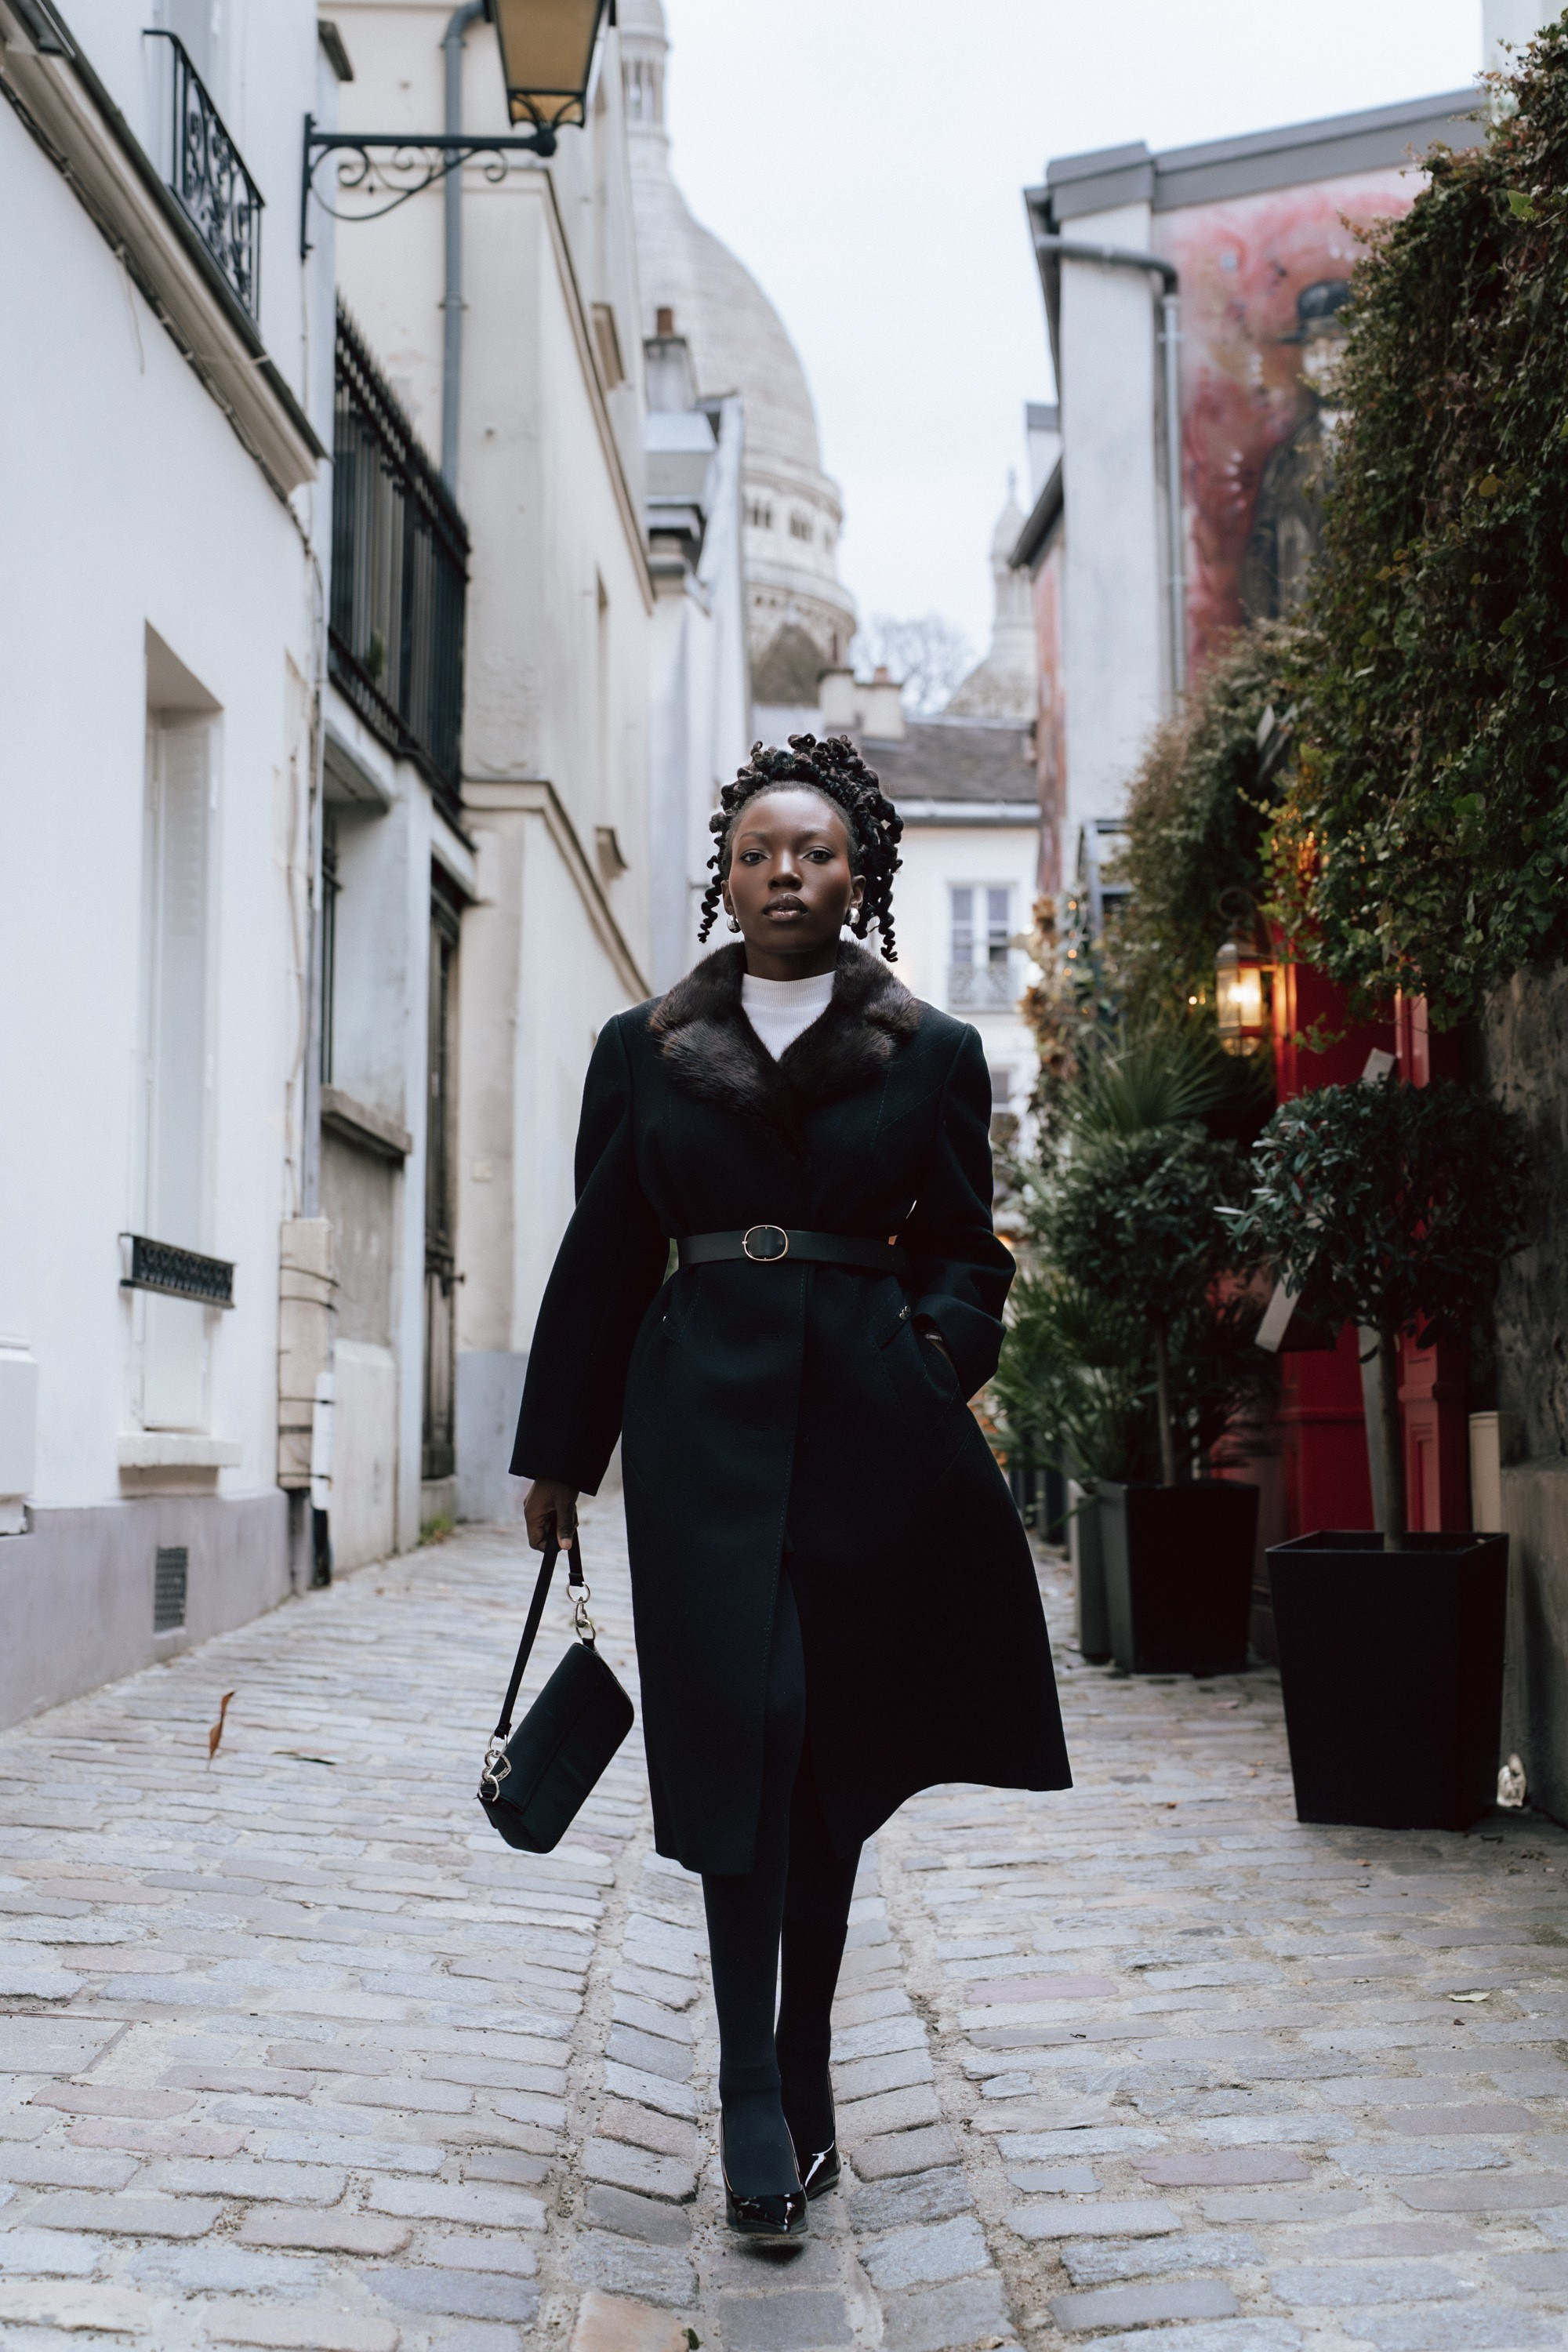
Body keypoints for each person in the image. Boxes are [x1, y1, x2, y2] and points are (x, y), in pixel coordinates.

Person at [512, 733, 1070, 2241]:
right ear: (728, 871)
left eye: (815, 853)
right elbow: (602, 1254)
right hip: (698, 1427)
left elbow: (968, 1249)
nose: (785, 876)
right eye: (760, 852)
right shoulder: (645, 1046)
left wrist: (925, 1355)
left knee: (823, 1752)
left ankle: (806, 2065)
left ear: (857, 874)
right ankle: (749, 2086)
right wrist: (560, 1453)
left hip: (866, 1439)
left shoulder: (934, 1052)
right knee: (737, 1732)